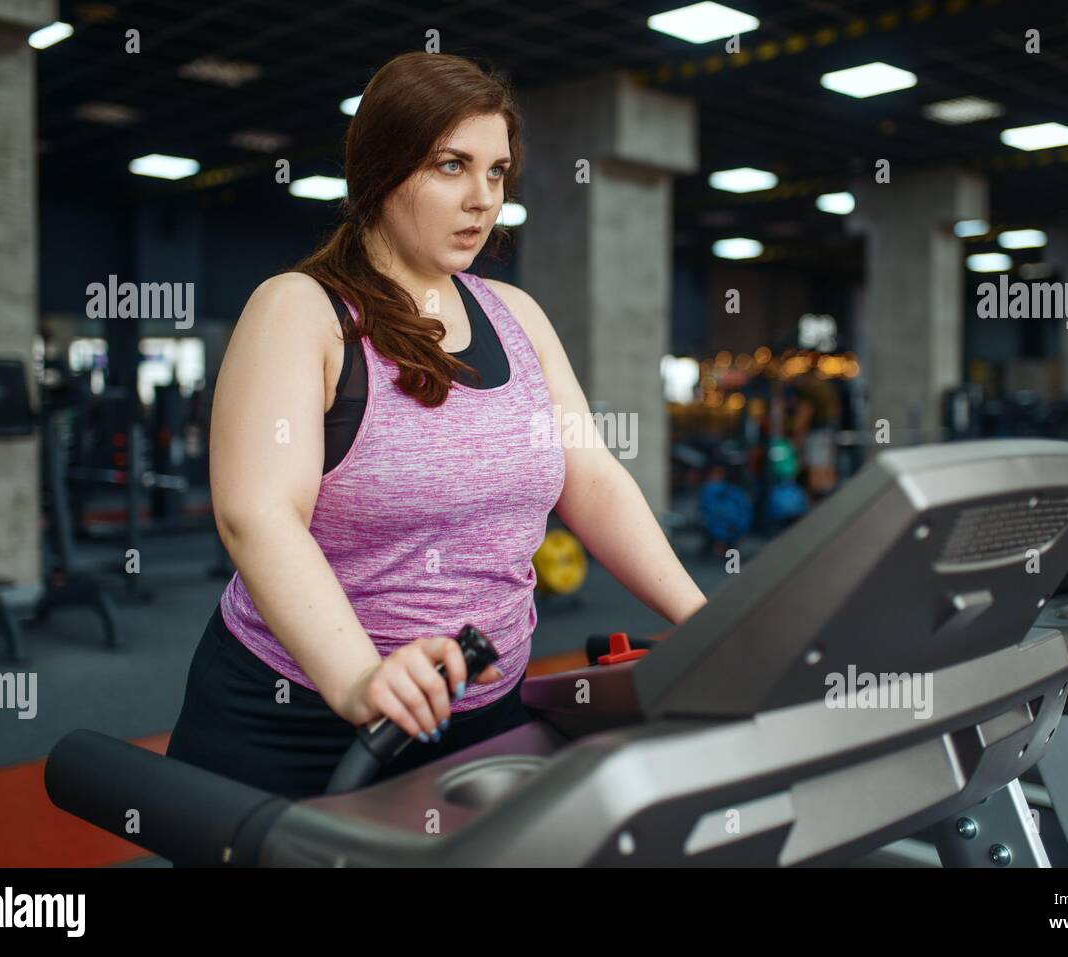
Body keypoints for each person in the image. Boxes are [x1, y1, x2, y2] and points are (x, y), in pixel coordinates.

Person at [165, 51, 707, 803]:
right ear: (384, 171)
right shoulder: (300, 311)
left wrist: (709, 618)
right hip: (302, 722)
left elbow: (593, 479)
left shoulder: (516, 317)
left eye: (496, 172)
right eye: (452, 165)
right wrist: (360, 675)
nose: (482, 199)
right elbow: (256, 514)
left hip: (484, 711)